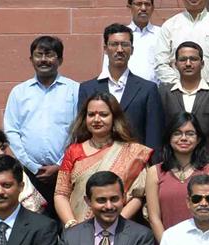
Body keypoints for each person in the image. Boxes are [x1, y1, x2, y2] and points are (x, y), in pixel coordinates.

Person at [3, 35, 80, 213]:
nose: (43, 59)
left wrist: (61, 165)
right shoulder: (19, 92)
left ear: (60, 59)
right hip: (29, 174)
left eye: (49, 54)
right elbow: (11, 131)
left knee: (68, 221)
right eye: (39, 55)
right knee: (32, 225)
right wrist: (31, 165)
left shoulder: (74, 90)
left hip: (67, 171)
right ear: (31, 59)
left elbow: (79, 130)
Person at [53, 92, 152, 228]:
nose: (96, 119)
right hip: (78, 231)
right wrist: (72, 225)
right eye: (91, 114)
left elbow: (138, 195)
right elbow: (61, 193)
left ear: (114, 118)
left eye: (103, 114)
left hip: (118, 230)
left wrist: (114, 223)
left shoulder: (133, 153)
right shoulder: (73, 151)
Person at [79, 22, 164, 154]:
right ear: (105, 49)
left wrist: (152, 170)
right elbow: (83, 132)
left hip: (135, 166)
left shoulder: (148, 89)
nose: (119, 50)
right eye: (114, 44)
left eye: (124, 45)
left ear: (132, 49)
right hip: (96, 165)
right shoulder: (87, 89)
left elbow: (154, 136)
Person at [144, 112, 209, 243]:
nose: (183, 138)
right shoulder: (154, 172)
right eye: (177, 133)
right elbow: (154, 218)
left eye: (190, 134)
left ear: (199, 139)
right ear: (169, 138)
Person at [158, 41, 209, 156]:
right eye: (183, 59)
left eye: (193, 59)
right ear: (175, 64)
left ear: (202, 63)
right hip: (172, 163)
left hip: (207, 162)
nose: (188, 64)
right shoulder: (163, 93)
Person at [99, 0, 157, 82]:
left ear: (153, 8)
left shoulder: (162, 34)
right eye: (138, 4)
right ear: (129, 7)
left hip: (156, 91)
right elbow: (108, 65)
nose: (143, 8)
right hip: (124, 90)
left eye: (147, 4)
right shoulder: (120, 35)